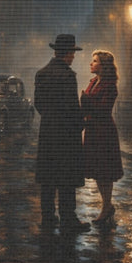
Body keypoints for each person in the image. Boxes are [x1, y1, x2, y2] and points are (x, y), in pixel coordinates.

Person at [33, 33, 89, 234]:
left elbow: (38, 105)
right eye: (73, 52)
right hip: (66, 134)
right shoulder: (67, 75)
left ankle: (48, 216)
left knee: (48, 177)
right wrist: (80, 123)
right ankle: (68, 218)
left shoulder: (41, 73)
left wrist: (51, 118)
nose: (74, 57)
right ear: (67, 53)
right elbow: (72, 107)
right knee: (66, 178)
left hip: (48, 132)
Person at [81, 49, 124, 225]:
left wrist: (86, 103)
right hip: (92, 129)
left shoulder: (109, 85)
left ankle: (106, 206)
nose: (91, 63)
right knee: (98, 170)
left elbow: (104, 109)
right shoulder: (93, 82)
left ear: (104, 65)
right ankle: (107, 205)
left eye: (95, 61)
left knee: (105, 169)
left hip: (103, 130)